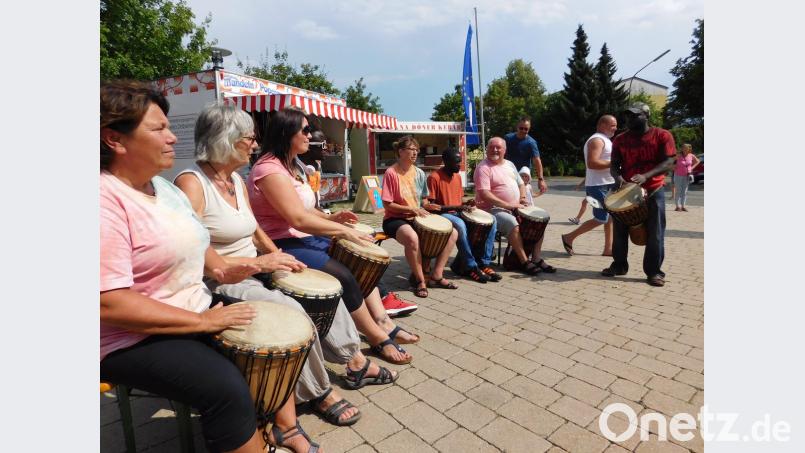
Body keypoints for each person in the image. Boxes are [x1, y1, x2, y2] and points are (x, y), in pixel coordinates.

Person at [99, 81, 322, 453]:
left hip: (194, 307)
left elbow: (212, 262)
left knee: (275, 334)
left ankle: (282, 427)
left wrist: (252, 267)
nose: (172, 137)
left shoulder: (165, 190)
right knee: (226, 388)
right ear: (114, 140)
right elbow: (109, 303)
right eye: (158, 128)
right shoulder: (104, 199)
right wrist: (203, 322)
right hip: (130, 337)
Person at [174, 104, 402, 428]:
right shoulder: (193, 183)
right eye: (249, 138)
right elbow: (196, 252)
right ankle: (319, 391)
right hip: (221, 280)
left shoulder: (234, 179)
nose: (255, 144)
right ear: (226, 139)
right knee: (292, 310)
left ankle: (355, 361)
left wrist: (280, 257)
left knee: (325, 291)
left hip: (255, 267)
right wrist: (259, 263)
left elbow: (255, 229)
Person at [247, 107, 418, 365]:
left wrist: (332, 218)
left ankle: (383, 320)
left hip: (301, 236)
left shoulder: (292, 165)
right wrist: (345, 231)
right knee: (344, 274)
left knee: (358, 261)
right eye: (305, 130)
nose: (310, 136)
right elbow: (297, 219)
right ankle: (375, 335)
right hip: (280, 242)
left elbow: (307, 210)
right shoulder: (269, 169)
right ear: (287, 133)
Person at [602, 102, 676, 287]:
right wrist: (619, 179)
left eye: (635, 115)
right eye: (628, 115)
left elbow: (669, 162)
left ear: (646, 116)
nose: (630, 119)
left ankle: (654, 272)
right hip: (626, 191)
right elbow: (614, 166)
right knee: (619, 232)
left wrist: (646, 176)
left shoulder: (662, 135)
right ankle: (619, 265)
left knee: (655, 234)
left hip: (654, 189)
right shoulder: (620, 139)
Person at [381, 135, 459, 298]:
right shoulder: (391, 173)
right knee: (412, 238)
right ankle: (420, 280)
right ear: (401, 151)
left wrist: (427, 205)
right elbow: (388, 205)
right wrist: (413, 209)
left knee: (452, 233)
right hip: (395, 218)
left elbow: (423, 200)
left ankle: (437, 275)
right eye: (411, 149)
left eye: (417, 150)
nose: (415, 152)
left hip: (416, 217)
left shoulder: (419, 173)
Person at [474, 137, 557, 276]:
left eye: (498, 147)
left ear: (504, 150)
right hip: (491, 210)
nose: (494, 150)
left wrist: (522, 198)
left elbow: (521, 184)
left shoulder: (510, 164)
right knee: (512, 223)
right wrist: (508, 205)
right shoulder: (483, 168)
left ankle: (536, 258)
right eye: (491, 147)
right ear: (486, 149)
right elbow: (484, 194)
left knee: (539, 221)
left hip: (514, 207)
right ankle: (524, 261)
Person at [426, 148, 502, 284]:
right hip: (442, 214)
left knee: (492, 220)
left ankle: (484, 263)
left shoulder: (457, 177)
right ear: (446, 161)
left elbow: (459, 201)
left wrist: (467, 203)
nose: (459, 165)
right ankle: (471, 266)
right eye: (456, 162)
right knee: (460, 225)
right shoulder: (434, 177)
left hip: (458, 212)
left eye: (460, 161)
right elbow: (432, 207)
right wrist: (457, 207)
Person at [561, 115, 618, 257]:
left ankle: (608, 249)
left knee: (610, 217)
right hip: (598, 186)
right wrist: (615, 163)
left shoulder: (605, 140)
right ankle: (569, 237)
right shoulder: (597, 140)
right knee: (601, 218)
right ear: (602, 125)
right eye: (613, 125)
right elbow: (592, 163)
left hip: (606, 184)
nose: (615, 128)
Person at [504, 116, 548, 194]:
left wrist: (541, 179)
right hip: (509, 174)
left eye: (526, 129)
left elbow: (537, 161)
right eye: (521, 128)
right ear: (517, 127)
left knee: (524, 198)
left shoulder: (531, 143)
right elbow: (502, 154)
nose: (523, 131)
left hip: (523, 177)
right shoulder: (508, 138)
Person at [673, 143, 700, 212]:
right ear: (682, 149)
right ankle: (677, 206)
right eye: (683, 147)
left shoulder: (691, 155)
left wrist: (692, 168)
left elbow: (698, 161)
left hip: (687, 175)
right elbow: (671, 161)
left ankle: (683, 206)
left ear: (689, 149)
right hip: (678, 175)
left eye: (686, 148)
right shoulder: (679, 155)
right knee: (678, 191)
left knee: (684, 191)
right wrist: (674, 167)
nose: (684, 149)